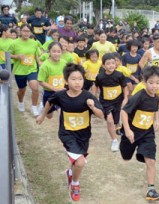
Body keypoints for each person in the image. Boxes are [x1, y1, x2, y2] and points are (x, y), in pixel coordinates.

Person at [36, 63, 104, 202]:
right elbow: (50, 101)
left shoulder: (88, 97)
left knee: (78, 161)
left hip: (84, 135)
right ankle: (75, 184)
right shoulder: (61, 95)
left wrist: (92, 106)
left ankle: (70, 173)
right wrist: (43, 115)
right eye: (73, 79)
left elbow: (101, 115)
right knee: (80, 163)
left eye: (80, 79)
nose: (77, 82)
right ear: (66, 81)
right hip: (67, 134)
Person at [120, 65, 159, 201]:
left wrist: (156, 120)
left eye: (157, 83)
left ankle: (151, 190)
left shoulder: (156, 97)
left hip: (147, 134)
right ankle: (124, 139)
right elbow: (124, 111)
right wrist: (127, 130)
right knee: (126, 157)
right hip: (132, 133)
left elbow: (155, 109)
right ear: (144, 82)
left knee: (151, 160)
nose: (154, 86)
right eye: (151, 83)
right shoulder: (139, 96)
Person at [95, 53, 128, 152]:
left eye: (113, 63)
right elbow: (95, 86)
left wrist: (126, 97)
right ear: (103, 65)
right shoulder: (100, 77)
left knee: (116, 120)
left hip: (117, 101)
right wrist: (94, 97)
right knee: (109, 121)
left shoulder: (119, 75)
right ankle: (114, 141)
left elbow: (125, 87)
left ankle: (118, 127)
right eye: (108, 63)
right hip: (105, 102)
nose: (111, 65)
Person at [9, 24, 41, 116]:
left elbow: (36, 54)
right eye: (24, 31)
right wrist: (17, 56)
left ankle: (34, 107)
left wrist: (39, 62)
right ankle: (20, 102)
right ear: (20, 31)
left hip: (32, 69)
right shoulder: (14, 43)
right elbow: (8, 55)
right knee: (21, 90)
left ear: (30, 32)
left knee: (35, 88)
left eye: (28, 31)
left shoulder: (34, 43)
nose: (26, 33)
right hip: (20, 71)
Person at [139, 33, 159, 108]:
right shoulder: (149, 52)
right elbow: (141, 63)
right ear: (154, 42)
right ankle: (154, 103)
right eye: (158, 42)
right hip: (152, 76)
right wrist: (147, 73)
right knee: (152, 92)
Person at [37, 42, 66, 118]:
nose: (56, 54)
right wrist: (54, 89)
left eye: (58, 51)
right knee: (49, 116)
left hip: (61, 92)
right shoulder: (45, 65)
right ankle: (43, 106)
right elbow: (40, 81)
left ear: (62, 52)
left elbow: (67, 76)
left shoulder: (64, 63)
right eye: (54, 51)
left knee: (61, 112)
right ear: (49, 51)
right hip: (48, 92)